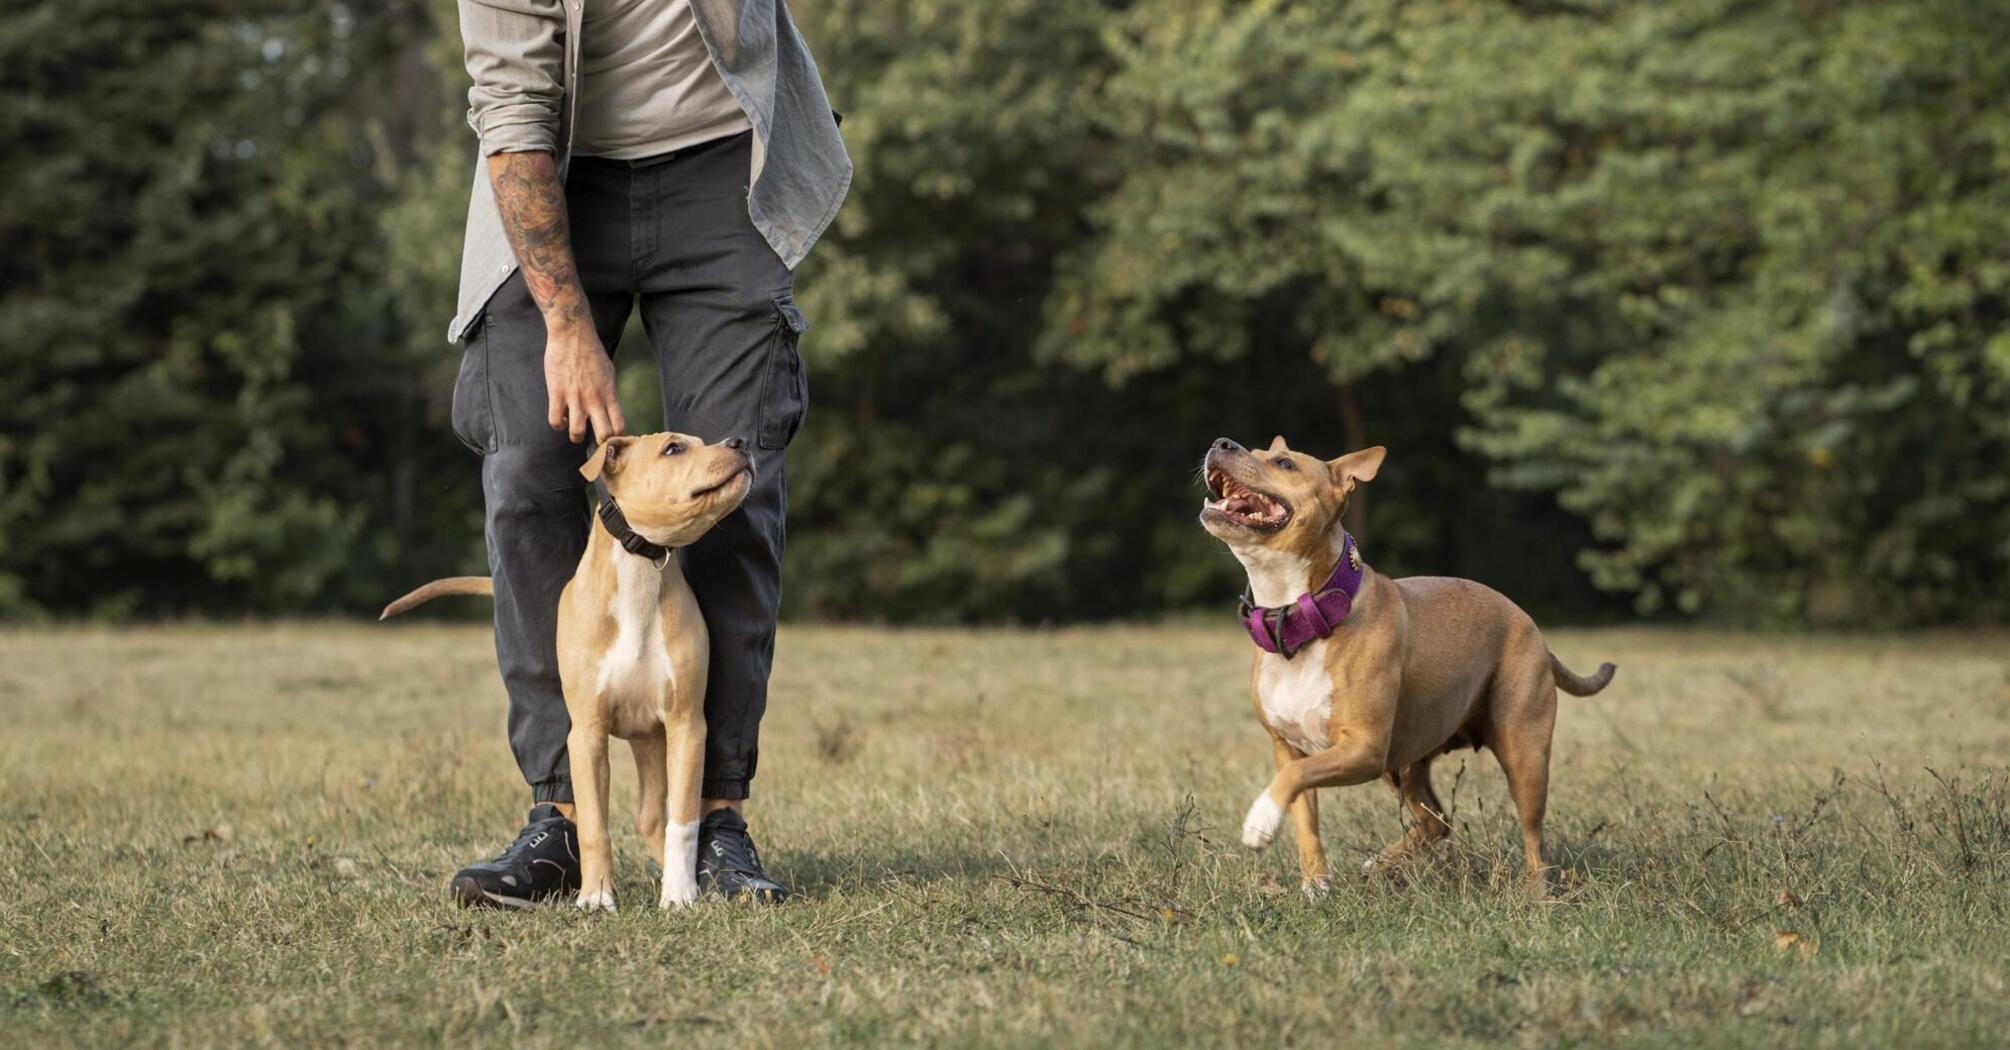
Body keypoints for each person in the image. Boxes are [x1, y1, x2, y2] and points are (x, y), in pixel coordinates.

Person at [441, 0, 850, 908]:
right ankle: (560, 818)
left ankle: (708, 826)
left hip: (719, 167)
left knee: (737, 486)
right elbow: (510, 113)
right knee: (530, 474)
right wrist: (564, 321)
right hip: (553, 169)